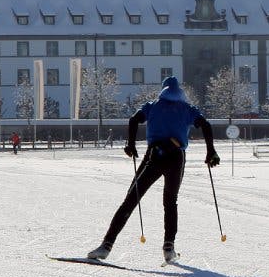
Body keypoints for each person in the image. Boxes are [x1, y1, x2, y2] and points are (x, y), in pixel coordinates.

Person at [87, 76, 220, 264]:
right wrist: (211, 151)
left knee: (131, 199)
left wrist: (131, 145)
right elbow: (205, 125)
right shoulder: (188, 109)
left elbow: (134, 120)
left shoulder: (153, 105)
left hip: (154, 155)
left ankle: (106, 246)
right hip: (176, 157)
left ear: (163, 89)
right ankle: (169, 248)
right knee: (170, 202)